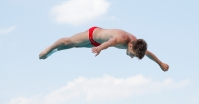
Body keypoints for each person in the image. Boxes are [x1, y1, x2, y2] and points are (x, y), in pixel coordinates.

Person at [39, 26, 169, 71]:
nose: (131, 56)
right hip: (92, 35)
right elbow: (111, 42)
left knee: (74, 46)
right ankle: (49, 49)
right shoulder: (122, 39)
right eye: (132, 54)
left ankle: (53, 51)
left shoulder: (137, 45)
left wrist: (160, 63)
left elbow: (149, 54)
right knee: (69, 41)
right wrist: (100, 48)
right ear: (130, 46)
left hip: (96, 43)